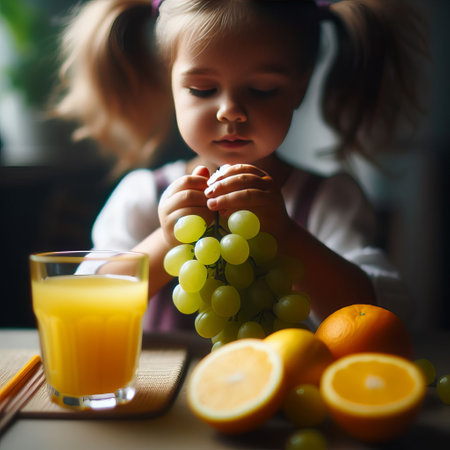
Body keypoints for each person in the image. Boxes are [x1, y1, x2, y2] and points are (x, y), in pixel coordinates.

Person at [52, 0, 427, 331]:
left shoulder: (329, 200)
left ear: (301, 86)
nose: (230, 110)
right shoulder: (144, 196)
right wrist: (167, 239)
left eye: (262, 89)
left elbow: (375, 317)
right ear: (170, 82)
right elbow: (83, 305)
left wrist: (287, 236)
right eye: (202, 89)